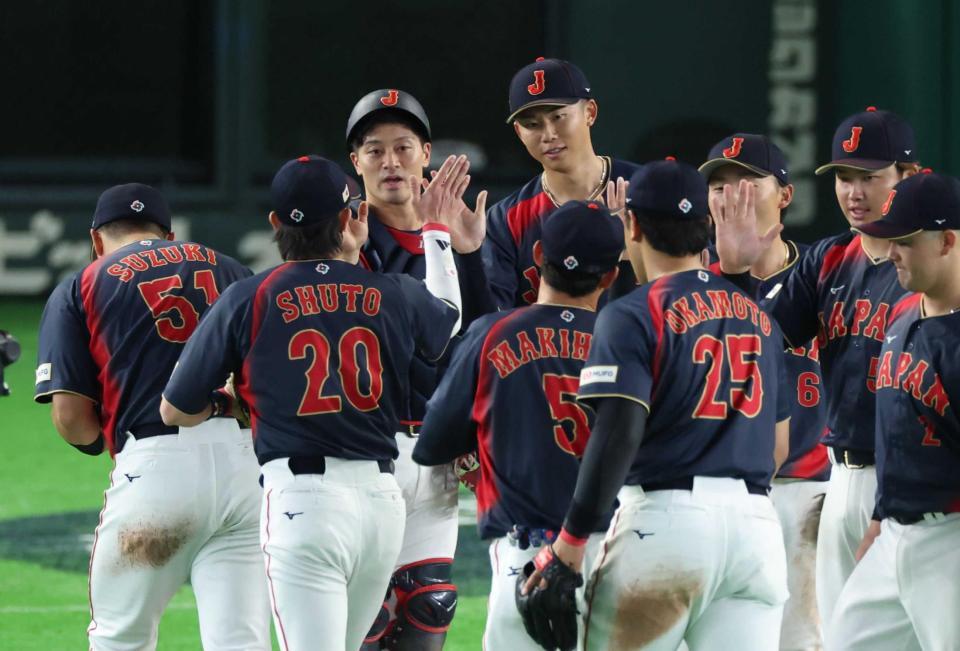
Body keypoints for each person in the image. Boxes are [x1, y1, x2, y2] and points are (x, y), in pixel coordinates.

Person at [159, 155, 462, 651]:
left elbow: (174, 408)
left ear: (276, 224)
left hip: (303, 504)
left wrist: (225, 405)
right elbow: (447, 320)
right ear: (348, 219)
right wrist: (435, 233)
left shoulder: (248, 298)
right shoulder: (391, 291)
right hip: (381, 505)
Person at [522, 159, 792, 651]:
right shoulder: (760, 318)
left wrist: (570, 543)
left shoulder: (633, 312)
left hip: (666, 523)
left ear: (632, 224)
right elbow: (778, 447)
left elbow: (618, 433)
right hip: (757, 531)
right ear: (706, 228)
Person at [34, 183, 268, 650]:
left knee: (121, 639)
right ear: (168, 233)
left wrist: (95, 440)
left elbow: (71, 417)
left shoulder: (82, 284)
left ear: (96, 239)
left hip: (157, 471)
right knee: (240, 641)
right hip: (248, 473)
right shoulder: (234, 271)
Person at [712, 107, 921, 624]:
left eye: (869, 177)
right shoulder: (828, 259)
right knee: (843, 634)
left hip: (916, 479)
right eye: (844, 177)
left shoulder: (930, 265)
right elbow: (753, 338)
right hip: (842, 478)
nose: (854, 192)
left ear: (909, 176)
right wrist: (737, 275)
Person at [412, 200, 624, 650]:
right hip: (617, 552)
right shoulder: (630, 339)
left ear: (539, 255)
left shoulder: (493, 332)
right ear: (610, 276)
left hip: (527, 556)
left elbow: (432, 446)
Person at [345, 88, 489, 649]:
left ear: (426, 153)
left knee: (430, 601)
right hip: (367, 451)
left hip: (437, 455)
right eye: (373, 150)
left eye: (403, 147)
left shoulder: (463, 233)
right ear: (355, 164)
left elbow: (485, 337)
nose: (390, 162)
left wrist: (471, 255)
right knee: (367, 614)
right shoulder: (344, 242)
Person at [700, 133, 829, 650]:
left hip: (808, 491)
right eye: (718, 185)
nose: (731, 195)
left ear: (785, 196)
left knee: (805, 640)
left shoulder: (825, 276)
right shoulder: (690, 281)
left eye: (748, 182)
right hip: (716, 492)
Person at [825, 171, 960, 650]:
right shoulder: (903, 317)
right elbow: (895, 435)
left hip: (950, 541)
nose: (892, 253)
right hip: (894, 534)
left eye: (904, 240)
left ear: (947, 241)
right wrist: (881, 518)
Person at [483, 57, 640, 309]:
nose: (548, 134)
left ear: (589, 112)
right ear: (519, 133)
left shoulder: (644, 190)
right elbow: (492, 323)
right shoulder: (506, 220)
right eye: (532, 124)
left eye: (558, 116)